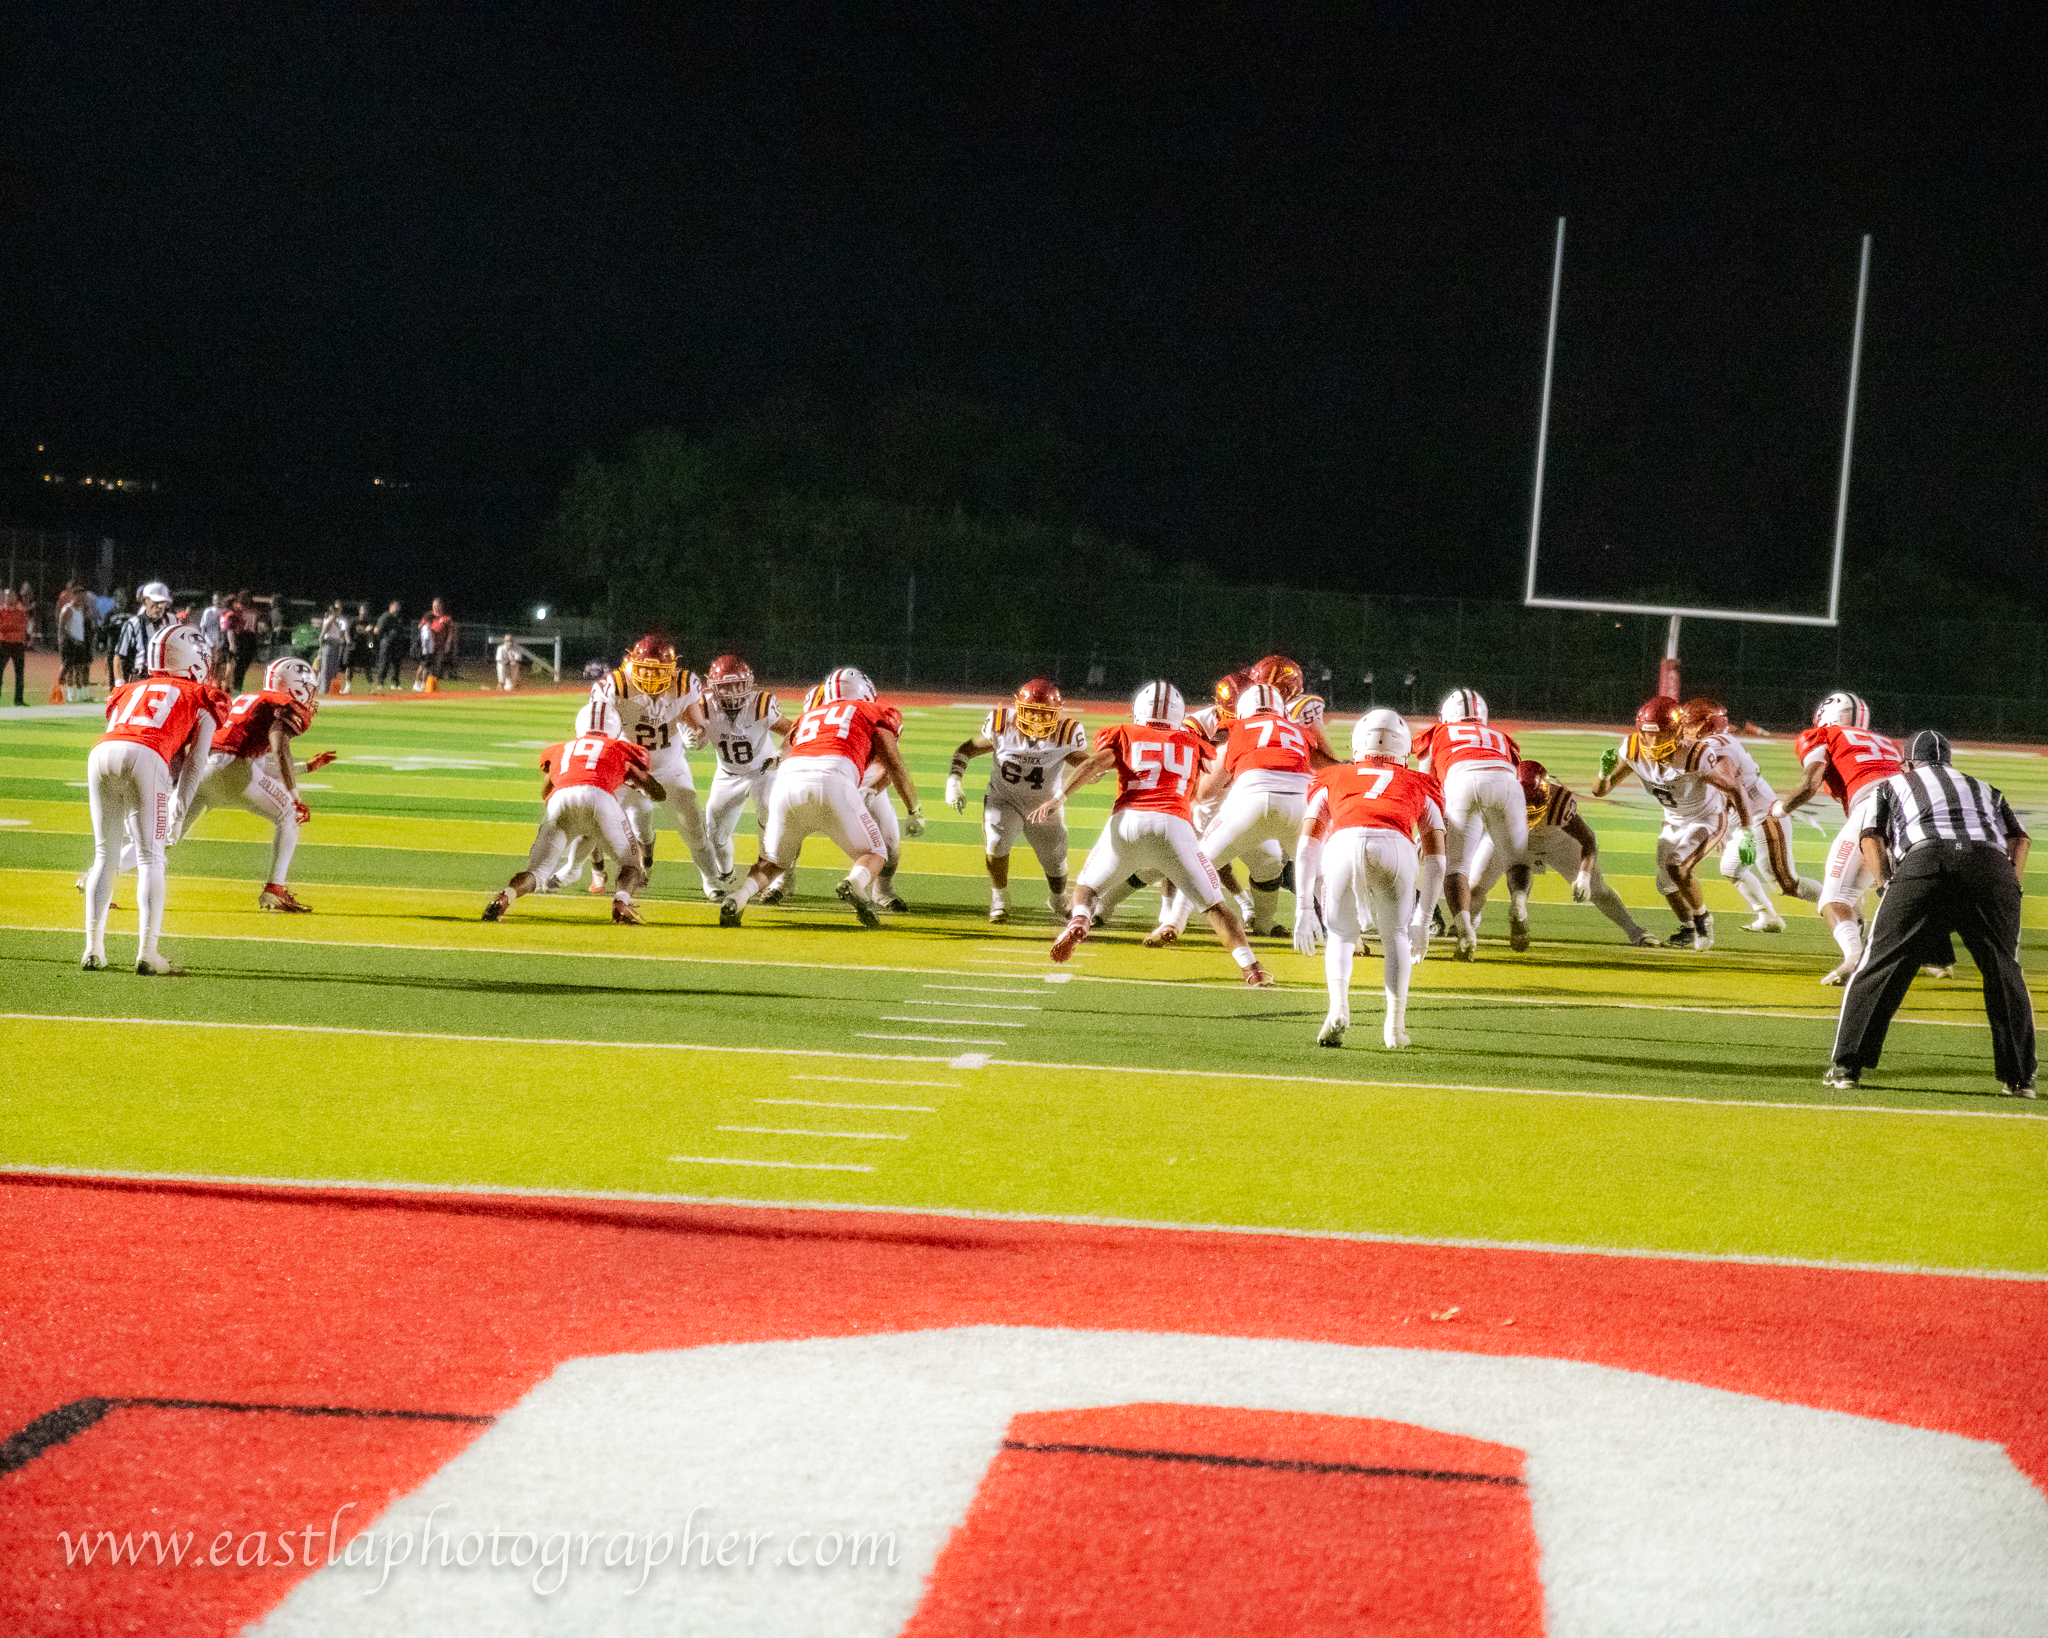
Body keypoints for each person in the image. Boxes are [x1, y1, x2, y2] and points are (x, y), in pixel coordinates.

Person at [1825, 731, 2034, 1097]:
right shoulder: (1985, 788)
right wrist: (2011, 884)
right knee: (2003, 970)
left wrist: (1885, 884)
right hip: (1990, 869)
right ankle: (2019, 1078)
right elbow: (2020, 838)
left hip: (1927, 861)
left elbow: (1871, 836)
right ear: (1948, 761)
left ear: (1907, 763)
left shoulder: (1891, 784)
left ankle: (1847, 1067)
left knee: (1881, 964)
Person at [1032, 680, 1273, 986]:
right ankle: (1252, 969)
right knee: (1214, 907)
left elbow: (1093, 765)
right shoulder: (1192, 742)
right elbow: (1196, 791)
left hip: (1128, 821)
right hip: (1174, 825)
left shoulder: (1125, 734)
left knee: (1087, 889)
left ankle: (1080, 919)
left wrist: (1059, 798)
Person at [719, 667, 922, 928]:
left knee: (772, 862)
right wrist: (914, 810)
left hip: (788, 782)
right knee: (876, 852)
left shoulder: (811, 714)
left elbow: (789, 745)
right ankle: (855, 883)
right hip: (836, 779)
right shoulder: (873, 710)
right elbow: (895, 765)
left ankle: (738, 897)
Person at [1294, 708, 1447, 1048]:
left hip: (1343, 845)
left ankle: (1338, 1009)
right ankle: (1394, 1028)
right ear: (1403, 746)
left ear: (1357, 743)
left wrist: (1303, 906)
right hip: (1396, 846)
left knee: (1340, 935)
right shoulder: (1420, 783)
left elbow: (1307, 845)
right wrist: (1423, 919)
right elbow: (1437, 858)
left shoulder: (1332, 776)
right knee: (1396, 936)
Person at [82, 625, 231, 974]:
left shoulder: (131, 688)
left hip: (101, 753)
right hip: (146, 756)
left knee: (104, 855)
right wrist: (179, 810)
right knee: (151, 859)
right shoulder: (200, 694)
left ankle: (93, 949)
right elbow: (196, 763)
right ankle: (148, 952)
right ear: (194, 659)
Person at [1150, 681, 1311, 946]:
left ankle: (1174, 921)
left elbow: (1206, 790)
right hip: (1299, 804)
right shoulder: (1298, 732)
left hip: (1248, 803)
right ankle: (1273, 923)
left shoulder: (1237, 729)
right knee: (1294, 866)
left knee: (1201, 860)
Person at [484, 700, 667, 926]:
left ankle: (505, 896)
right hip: (599, 797)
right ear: (615, 726)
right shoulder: (620, 748)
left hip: (560, 800)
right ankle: (621, 903)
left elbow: (546, 792)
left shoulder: (561, 749)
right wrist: (635, 783)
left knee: (537, 872)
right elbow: (657, 793)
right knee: (630, 865)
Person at [1593, 695, 1751, 952]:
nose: (1654, 742)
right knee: (1665, 883)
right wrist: (1603, 773)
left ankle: (1702, 919)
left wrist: (1746, 833)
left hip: (1706, 819)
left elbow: (1734, 788)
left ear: (1677, 731)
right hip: (1674, 820)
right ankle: (1688, 927)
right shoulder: (1632, 750)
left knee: (1677, 866)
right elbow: (1600, 791)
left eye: (1663, 734)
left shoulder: (1695, 754)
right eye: (1649, 735)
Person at [1777, 691, 1905, 984]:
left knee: (1835, 897)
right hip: (1914, 812)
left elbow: (1809, 784)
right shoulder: (1887, 743)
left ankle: (1854, 958)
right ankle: (1938, 957)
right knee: (1904, 888)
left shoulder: (1822, 735)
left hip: (1873, 808)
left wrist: (1780, 809)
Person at [1469, 760, 1661, 947]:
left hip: (1554, 837)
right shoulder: (1493, 795)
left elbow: (1588, 839)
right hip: (1506, 831)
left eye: (1531, 811)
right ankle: (1468, 924)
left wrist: (1584, 876)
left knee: (1597, 890)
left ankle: (1635, 931)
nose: (1526, 819)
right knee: (1476, 886)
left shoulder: (1557, 802)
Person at [946, 678, 1091, 923]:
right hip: (1004, 798)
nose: (1038, 719)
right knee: (996, 843)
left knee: (1055, 860)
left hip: (1045, 804)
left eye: (1045, 714)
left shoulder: (1066, 732)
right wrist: (954, 781)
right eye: (1032, 712)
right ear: (1019, 709)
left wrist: (1093, 768)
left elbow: (1082, 761)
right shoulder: (1001, 724)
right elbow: (966, 750)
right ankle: (1000, 899)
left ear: (1056, 713)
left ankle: (1057, 899)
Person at [592, 635, 724, 894]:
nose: (651, 676)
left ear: (672, 669)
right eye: (645, 669)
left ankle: (711, 881)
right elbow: (597, 731)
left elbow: (699, 729)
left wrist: (698, 735)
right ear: (631, 665)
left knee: (694, 829)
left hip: (670, 768)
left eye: (659, 670)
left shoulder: (684, 684)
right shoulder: (615, 685)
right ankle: (597, 872)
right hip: (627, 769)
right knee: (597, 820)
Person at [1681, 697, 1822, 928]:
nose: (1686, 728)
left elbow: (1730, 785)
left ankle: (1841, 906)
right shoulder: (1714, 741)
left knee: (1786, 884)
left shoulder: (1714, 744)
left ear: (1707, 724)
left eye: (1691, 722)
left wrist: (1738, 829)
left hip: (1762, 818)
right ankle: (1768, 918)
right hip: (1746, 819)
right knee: (1731, 868)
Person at [1412, 689, 1530, 958]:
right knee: (1516, 859)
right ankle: (1518, 903)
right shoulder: (1500, 736)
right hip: (1507, 783)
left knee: (1456, 868)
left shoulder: (1438, 733)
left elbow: (1426, 786)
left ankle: (1465, 933)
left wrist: (1424, 830)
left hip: (1461, 781)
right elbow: (1515, 770)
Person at [700, 654, 792, 898]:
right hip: (728, 773)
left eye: (738, 685)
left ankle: (777, 879)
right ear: (713, 686)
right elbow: (689, 733)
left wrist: (782, 754)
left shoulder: (760, 704)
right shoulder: (703, 705)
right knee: (714, 831)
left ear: (748, 684)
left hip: (764, 770)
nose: (733, 692)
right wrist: (692, 735)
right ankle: (724, 873)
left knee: (772, 822)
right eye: (726, 686)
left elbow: (793, 730)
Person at [112, 581, 176, 687]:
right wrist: (119, 684)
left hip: (166, 679)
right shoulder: (133, 624)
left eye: (163, 602)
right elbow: (119, 657)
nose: (160, 606)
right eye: (156, 602)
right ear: (144, 601)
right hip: (141, 681)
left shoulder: (172, 621)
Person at [223, 590, 262, 691]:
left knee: (243, 665)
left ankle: (237, 686)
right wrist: (233, 642)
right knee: (239, 665)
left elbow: (255, 628)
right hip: (243, 637)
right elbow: (234, 627)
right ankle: (235, 686)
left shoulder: (253, 611)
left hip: (249, 638)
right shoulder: (240, 611)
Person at [314, 602, 351, 695]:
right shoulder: (330, 619)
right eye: (335, 610)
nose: (337, 612)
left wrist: (347, 642)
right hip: (329, 642)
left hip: (336, 643)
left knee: (332, 668)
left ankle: (326, 689)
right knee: (325, 666)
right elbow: (324, 630)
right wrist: (320, 640)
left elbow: (343, 632)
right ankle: (322, 689)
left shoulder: (339, 620)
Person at [0, 590, 26, 706]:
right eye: (8, 596)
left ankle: (19, 700)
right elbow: (3, 626)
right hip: (4, 643)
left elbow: (22, 626)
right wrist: (12, 626)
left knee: (19, 673)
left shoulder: (20, 612)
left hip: (17, 643)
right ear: (4, 598)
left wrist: (9, 626)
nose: (11, 598)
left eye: (13, 596)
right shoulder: (1, 611)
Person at [373, 599, 405, 689]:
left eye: (398, 606)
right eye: (396, 606)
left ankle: (395, 683)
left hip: (396, 644)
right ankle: (380, 683)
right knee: (384, 663)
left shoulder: (399, 618)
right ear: (391, 606)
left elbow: (401, 631)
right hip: (386, 643)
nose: (398, 608)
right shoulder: (385, 616)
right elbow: (379, 630)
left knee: (396, 664)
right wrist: (381, 641)